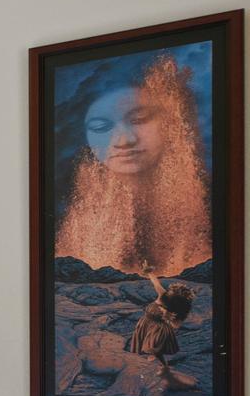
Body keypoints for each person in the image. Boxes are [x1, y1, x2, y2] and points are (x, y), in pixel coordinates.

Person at [54, 54, 211, 277]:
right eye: (101, 127)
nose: (124, 140)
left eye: (138, 120)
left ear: (171, 124)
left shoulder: (215, 203)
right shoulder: (76, 217)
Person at [126, 271, 197, 390]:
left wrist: (167, 316)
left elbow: (176, 325)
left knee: (153, 348)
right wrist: (149, 272)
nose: (169, 292)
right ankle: (160, 367)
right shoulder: (164, 295)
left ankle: (163, 369)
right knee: (146, 348)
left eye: (173, 292)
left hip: (158, 329)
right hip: (146, 323)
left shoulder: (180, 307)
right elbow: (156, 283)